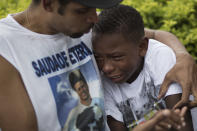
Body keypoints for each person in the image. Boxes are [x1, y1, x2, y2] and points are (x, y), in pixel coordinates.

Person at [0, 0, 196, 130]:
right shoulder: (6, 48)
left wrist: (182, 56)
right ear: (49, 3)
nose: (95, 17)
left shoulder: (85, 24)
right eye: (83, 10)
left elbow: (151, 36)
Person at [92, 4, 194, 131]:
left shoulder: (159, 56)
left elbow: (183, 125)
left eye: (117, 57)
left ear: (142, 47)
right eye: (98, 58)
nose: (106, 68)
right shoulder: (103, 82)